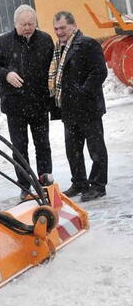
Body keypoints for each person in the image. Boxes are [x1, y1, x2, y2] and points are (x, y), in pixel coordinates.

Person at [0, 4, 54, 199]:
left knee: (43, 144)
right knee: (19, 147)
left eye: (31, 23)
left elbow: (52, 69)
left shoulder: (45, 41)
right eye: (23, 24)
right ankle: (25, 185)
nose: (28, 27)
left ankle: (45, 180)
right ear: (15, 24)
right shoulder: (3, 42)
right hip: (15, 105)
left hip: (39, 103)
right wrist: (6, 75)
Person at [49, 11, 108, 202]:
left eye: (63, 28)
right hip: (68, 109)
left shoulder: (88, 44)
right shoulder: (59, 48)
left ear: (73, 26)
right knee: (72, 150)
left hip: (88, 108)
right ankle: (79, 182)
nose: (59, 32)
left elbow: (100, 72)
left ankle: (98, 185)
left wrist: (83, 91)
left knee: (96, 149)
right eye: (56, 28)